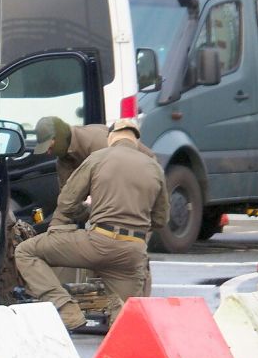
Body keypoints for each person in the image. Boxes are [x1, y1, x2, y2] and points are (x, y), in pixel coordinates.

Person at [14, 119, 169, 330]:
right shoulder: (154, 167)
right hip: (132, 250)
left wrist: (86, 218)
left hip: (98, 241)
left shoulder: (98, 153)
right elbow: (160, 220)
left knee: (25, 252)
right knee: (126, 326)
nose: (48, 152)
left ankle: (66, 310)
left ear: (111, 137)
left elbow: (67, 202)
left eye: (50, 145)